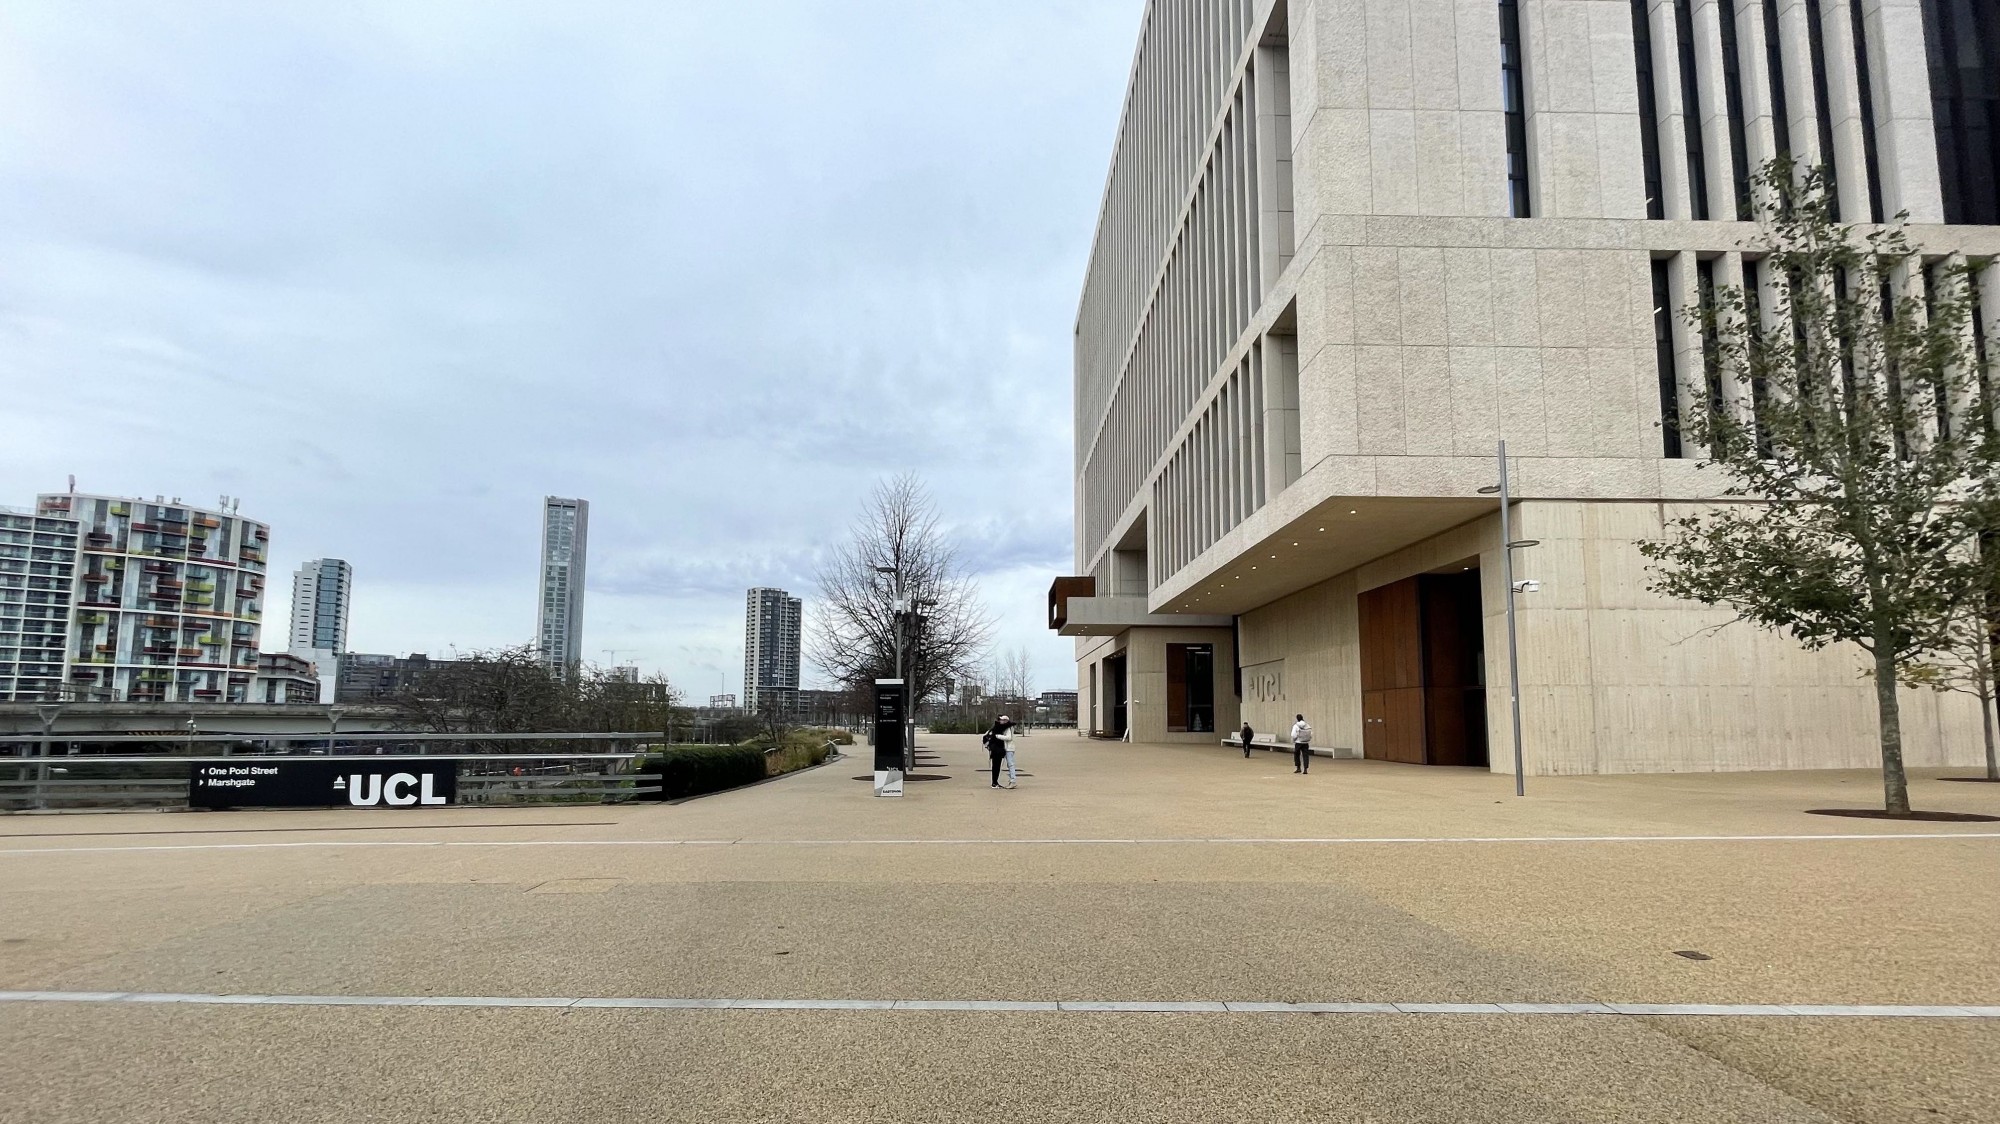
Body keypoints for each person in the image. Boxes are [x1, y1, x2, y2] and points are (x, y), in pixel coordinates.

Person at [985, 714, 1017, 789]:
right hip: (1006, 748)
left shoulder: (1008, 728)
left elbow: (1009, 737)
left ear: (1006, 721)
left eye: (1002, 720)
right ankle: (1011, 780)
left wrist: (997, 736)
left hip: (1009, 748)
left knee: (1010, 764)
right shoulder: (1003, 727)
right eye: (1000, 720)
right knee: (1009, 764)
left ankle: (1013, 781)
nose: (1001, 721)